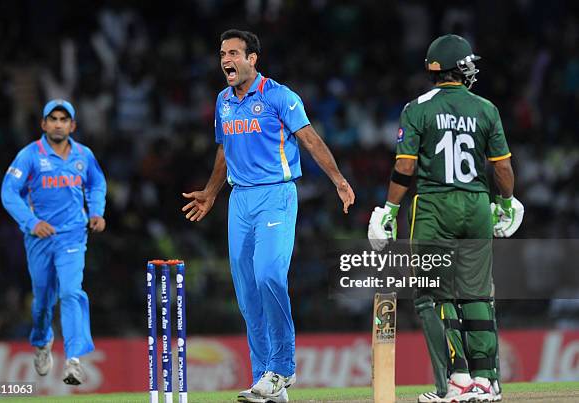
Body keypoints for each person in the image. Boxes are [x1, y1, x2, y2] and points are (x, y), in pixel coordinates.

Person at [182, 29, 355, 403]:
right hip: (239, 201)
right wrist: (212, 193)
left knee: (269, 275)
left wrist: (339, 180)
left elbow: (310, 139)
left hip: (276, 194)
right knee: (247, 295)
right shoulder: (223, 101)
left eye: (233, 53)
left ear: (251, 59)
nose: (225, 59)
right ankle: (265, 379)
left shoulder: (279, 96)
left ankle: (283, 368)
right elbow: (224, 150)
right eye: (221, 53)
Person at [368, 34, 524, 403]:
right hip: (477, 205)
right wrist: (507, 202)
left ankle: (456, 381)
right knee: (477, 296)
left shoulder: (417, 108)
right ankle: (485, 381)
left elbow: (405, 166)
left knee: (432, 295)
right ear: (457, 67)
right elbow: (501, 167)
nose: (473, 69)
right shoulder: (486, 108)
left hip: (435, 207)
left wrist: (389, 210)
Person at [1, 99, 107, 385]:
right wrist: (32, 223)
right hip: (39, 238)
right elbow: (9, 192)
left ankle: (74, 360)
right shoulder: (30, 155)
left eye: (64, 119)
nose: (58, 124)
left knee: (72, 292)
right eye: (53, 119)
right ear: (43, 124)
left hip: (73, 235)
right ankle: (42, 341)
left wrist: (97, 211)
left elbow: (97, 184)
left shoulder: (84, 155)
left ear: (72, 125)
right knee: (43, 301)